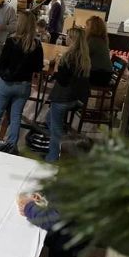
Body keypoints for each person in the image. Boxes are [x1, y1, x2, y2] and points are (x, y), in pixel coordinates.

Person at [0, 14, 45, 147]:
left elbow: (1, 63)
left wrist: (4, 75)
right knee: (16, 116)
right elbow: (38, 67)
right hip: (24, 85)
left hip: (6, 83)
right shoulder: (36, 45)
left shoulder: (11, 41)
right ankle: (11, 146)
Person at [46, 28, 92, 162]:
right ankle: (64, 146)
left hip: (62, 98)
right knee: (50, 120)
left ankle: (54, 157)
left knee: (55, 129)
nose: (66, 38)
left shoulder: (68, 56)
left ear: (72, 40)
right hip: (76, 98)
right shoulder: (85, 58)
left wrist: (55, 70)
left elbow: (63, 79)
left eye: (68, 36)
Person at [85, 16, 115, 87]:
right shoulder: (102, 40)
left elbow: (81, 55)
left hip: (99, 76)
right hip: (105, 75)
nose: (85, 27)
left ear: (93, 28)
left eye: (87, 25)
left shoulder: (93, 40)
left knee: (72, 73)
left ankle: (75, 95)